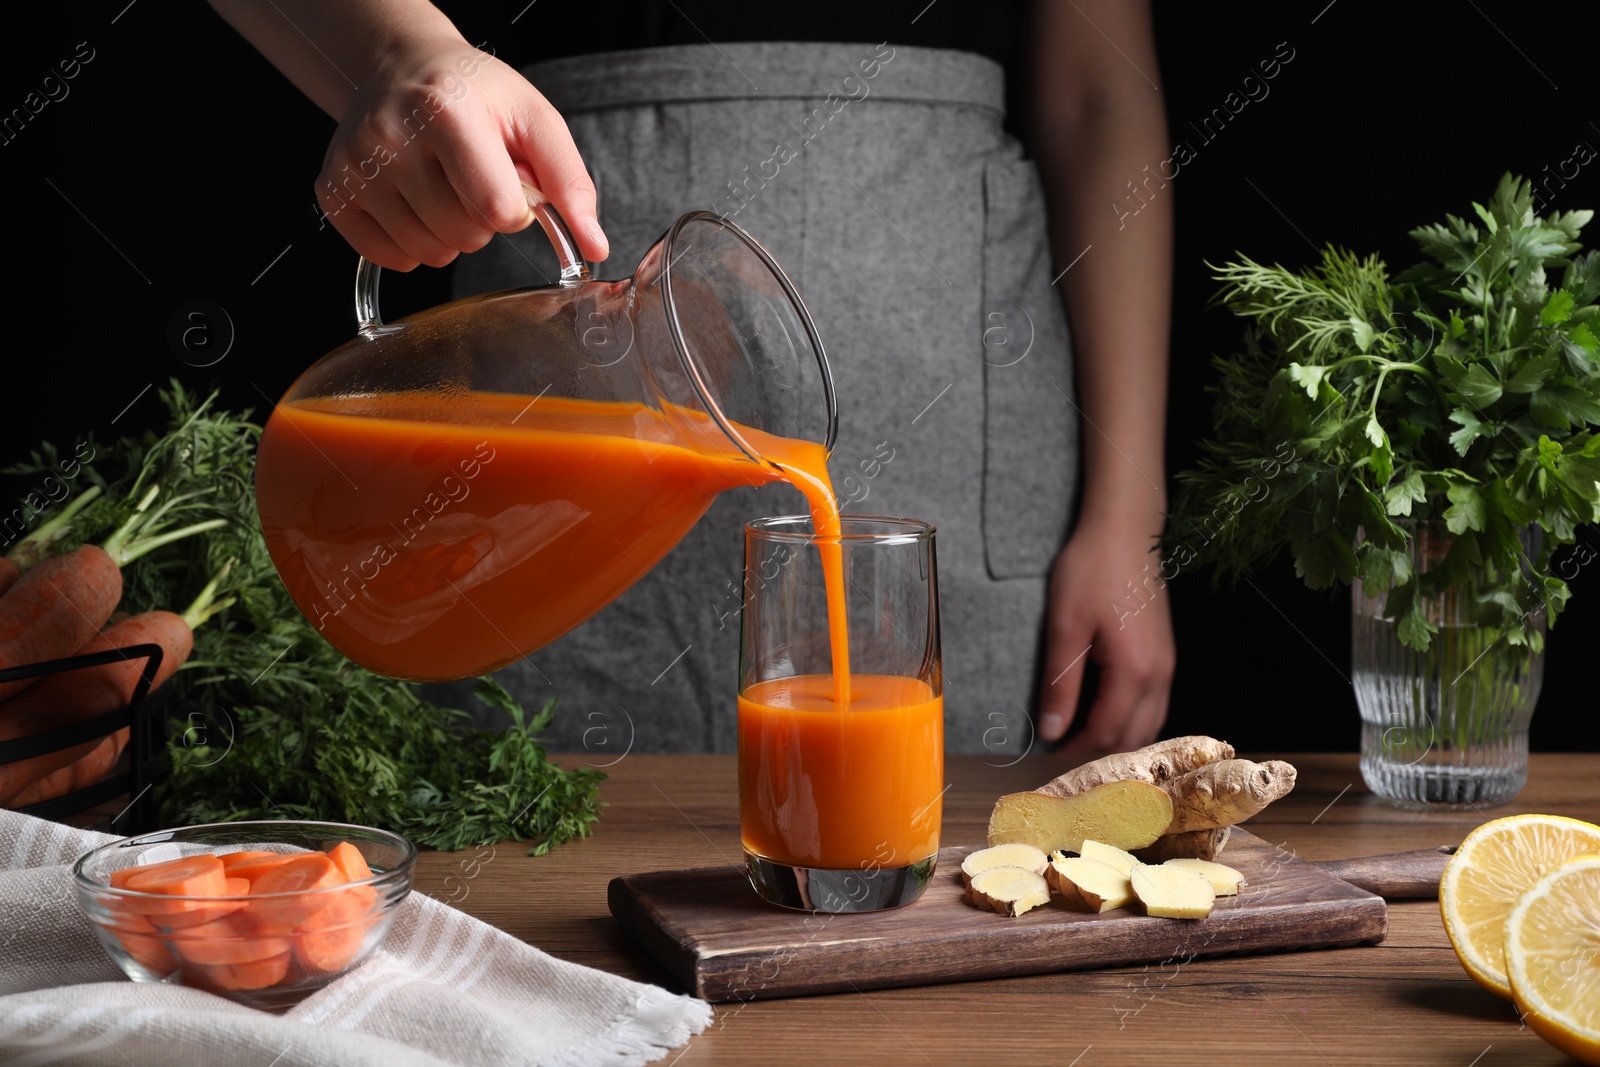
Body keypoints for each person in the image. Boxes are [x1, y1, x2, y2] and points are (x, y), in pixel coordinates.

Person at [209, 0, 1175, 756]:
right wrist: (395, 53)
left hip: (958, 411)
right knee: (524, 861)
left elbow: (1102, 98)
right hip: (556, 368)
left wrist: (1129, 515)